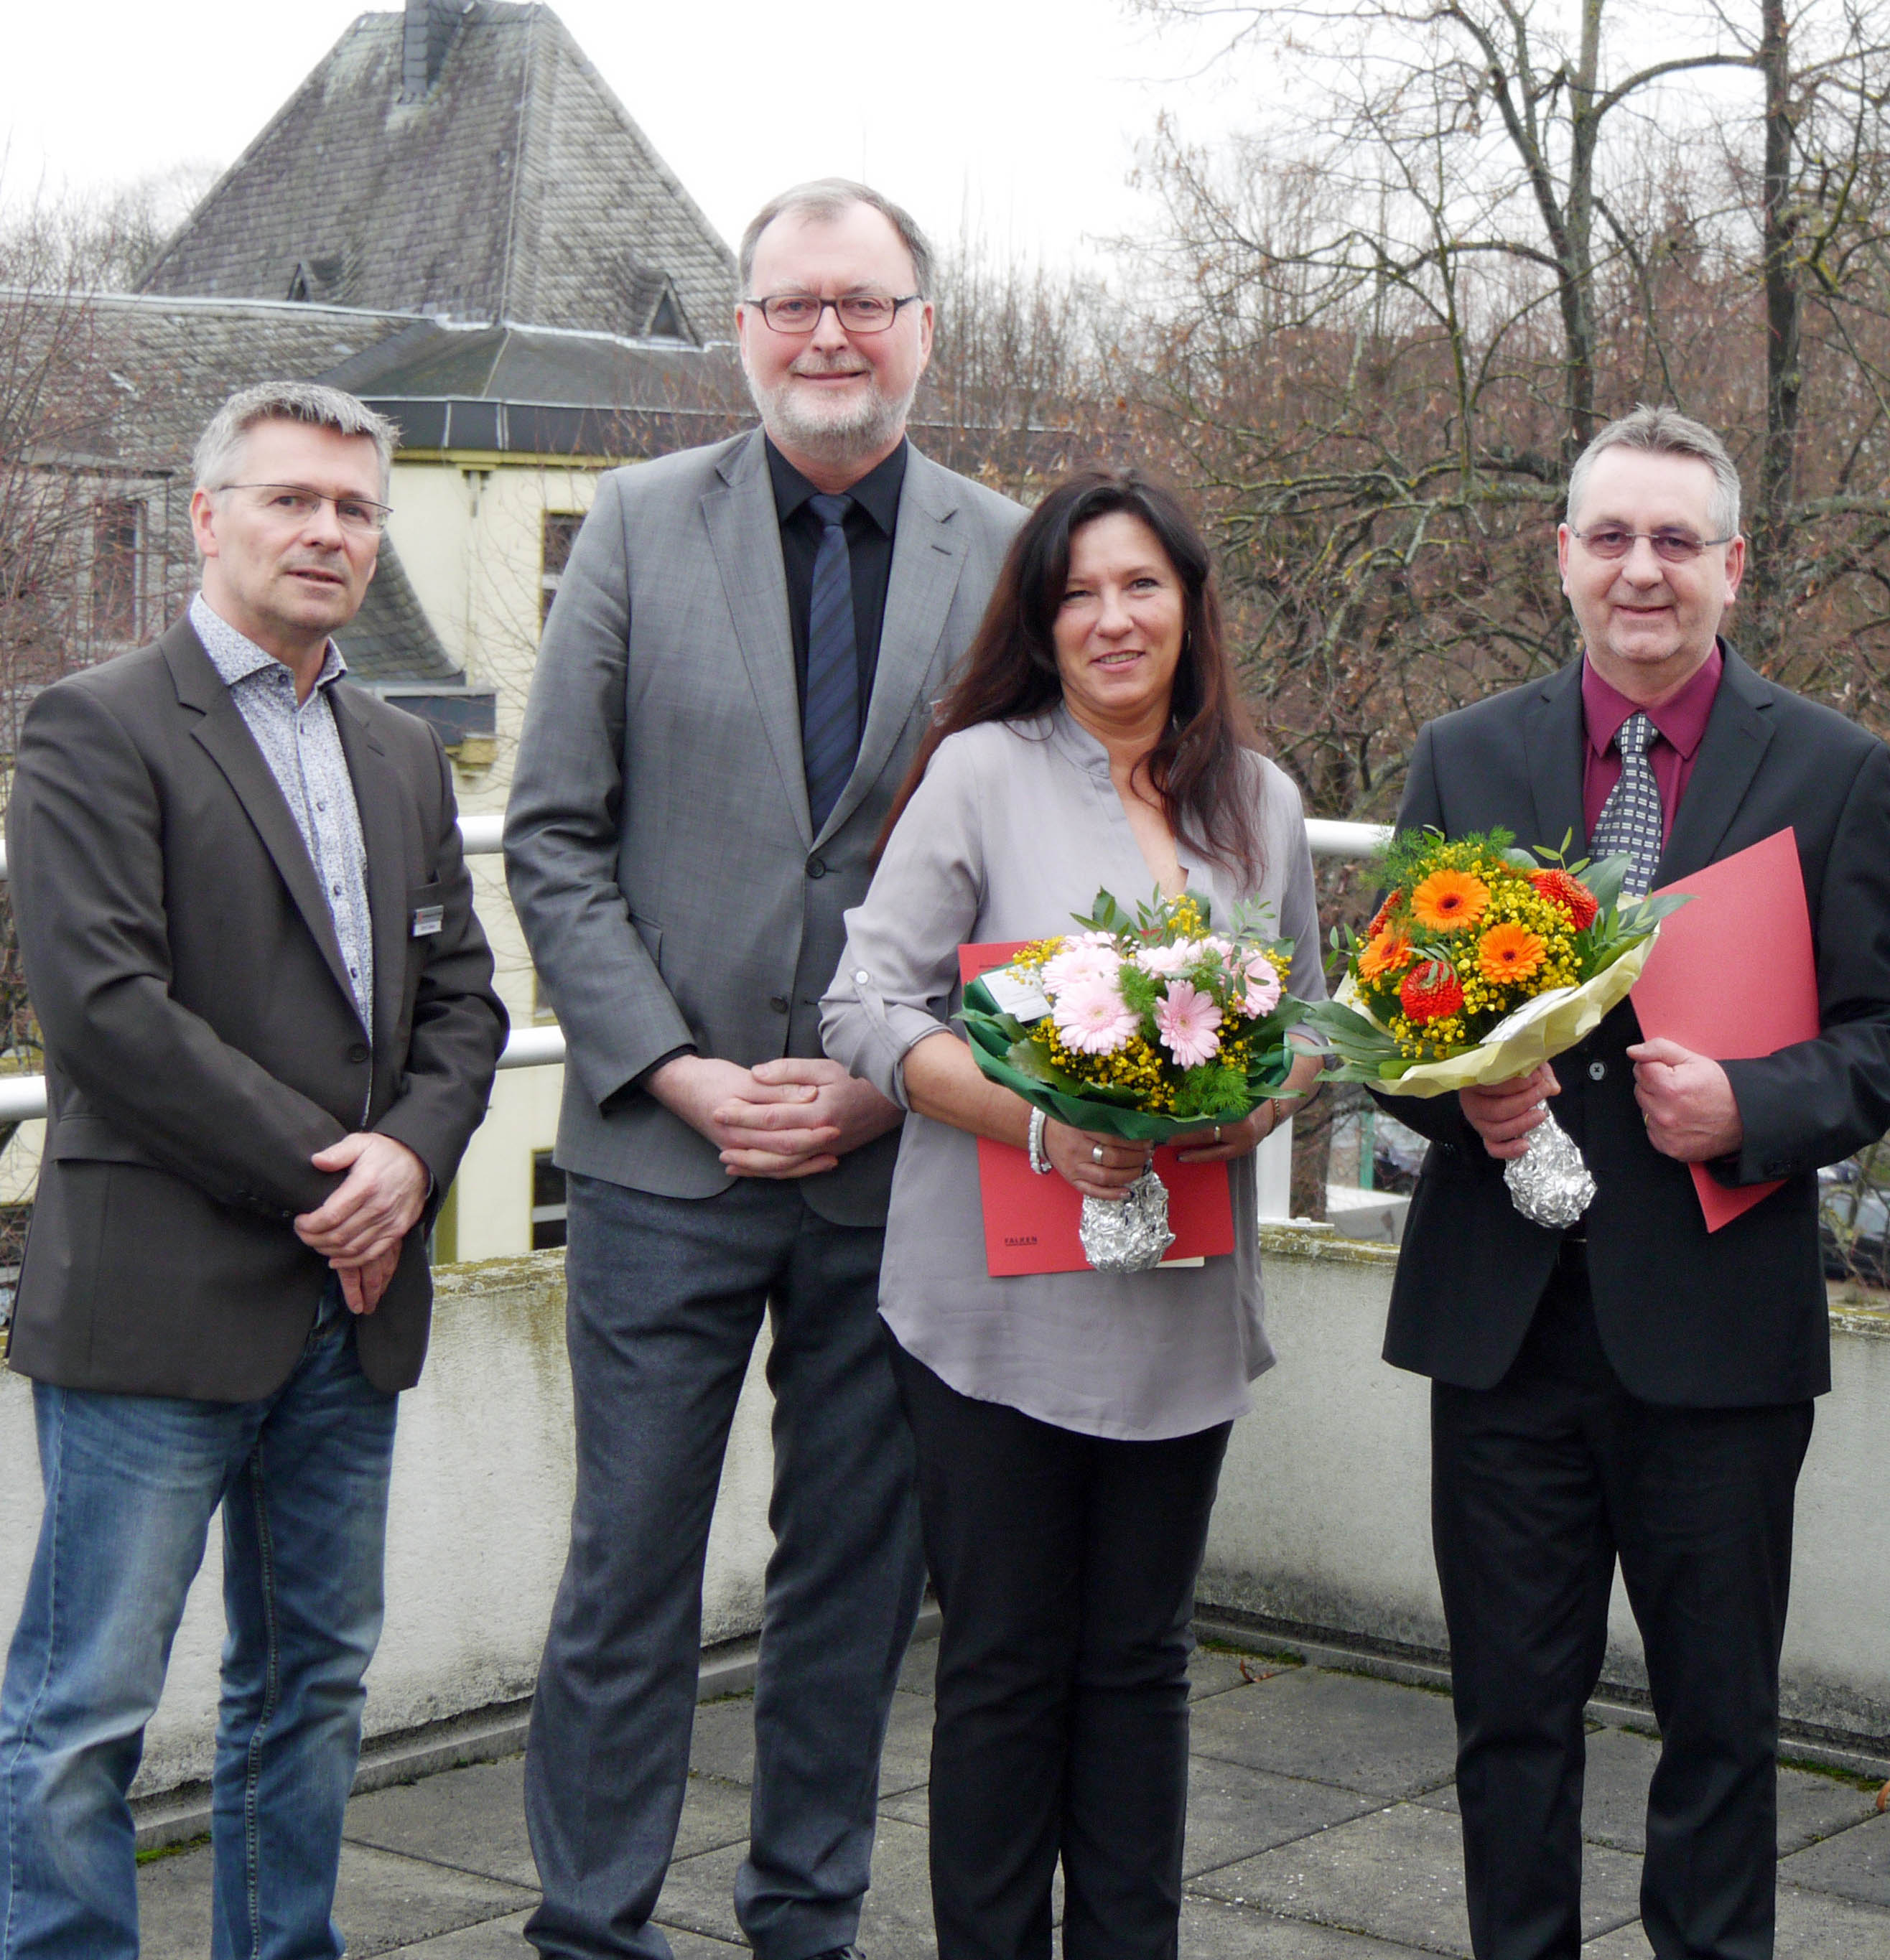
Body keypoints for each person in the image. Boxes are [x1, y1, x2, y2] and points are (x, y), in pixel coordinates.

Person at [505, 179, 1026, 1959]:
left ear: (922, 329)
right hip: (664, 1165)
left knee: (855, 1587)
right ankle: (592, 1923)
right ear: (740, 329)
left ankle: (804, 1917)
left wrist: (895, 1078)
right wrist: (675, 1072)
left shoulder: (1007, 554)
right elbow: (555, 842)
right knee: (628, 1573)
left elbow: (1037, 877)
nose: (828, 335)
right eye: (794, 304)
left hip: (898, 1167)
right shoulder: (637, 529)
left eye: (865, 304)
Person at [1379, 406, 1890, 1959]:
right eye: (1610, 538)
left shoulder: (1830, 771)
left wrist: (1749, 1105)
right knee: (1507, 1727)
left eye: (1675, 542)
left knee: (1718, 1732)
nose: (1642, 571)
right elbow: (1374, 1029)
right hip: (1501, 1335)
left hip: (1715, 1337)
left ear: (1731, 569)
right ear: (1560, 557)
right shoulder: (1464, 755)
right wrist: (1457, 1096)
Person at [0, 381, 506, 1956]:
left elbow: (469, 1005)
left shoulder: (402, 753)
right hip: (162, 1304)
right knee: (86, 1707)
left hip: (345, 1321)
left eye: (356, 510)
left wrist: (410, 1164)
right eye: (293, 500)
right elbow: (106, 1013)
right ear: (208, 518)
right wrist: (338, 1183)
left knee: (310, 1687)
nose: (328, 532)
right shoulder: (95, 724)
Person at [822, 468, 1321, 1959]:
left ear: (1189, 608)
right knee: (1002, 1667)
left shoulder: (1263, 801)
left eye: (1141, 587)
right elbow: (862, 1010)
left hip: (1178, 1305)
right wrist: (1040, 1119)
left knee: (1139, 1665)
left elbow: (1304, 1022)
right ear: (1043, 621)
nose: (1112, 619)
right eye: (1078, 593)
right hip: (993, 1308)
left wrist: (1257, 1102)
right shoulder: (979, 771)